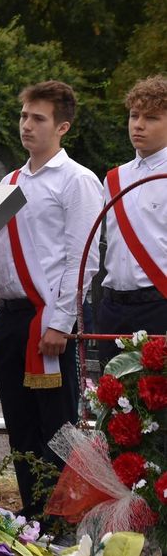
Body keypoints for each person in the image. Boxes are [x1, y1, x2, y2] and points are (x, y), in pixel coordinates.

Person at [0, 81, 103, 520]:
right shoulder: (9, 181)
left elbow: (82, 258)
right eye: (23, 116)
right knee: (19, 424)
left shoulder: (78, 181)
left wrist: (60, 321)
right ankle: (33, 515)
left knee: (56, 428)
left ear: (62, 127)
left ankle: (64, 519)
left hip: (49, 322)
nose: (26, 126)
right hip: (11, 317)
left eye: (38, 118)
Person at [94, 74, 167, 365]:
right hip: (112, 305)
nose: (138, 125)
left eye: (151, 117)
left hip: (159, 303)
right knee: (110, 403)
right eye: (134, 115)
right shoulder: (114, 178)